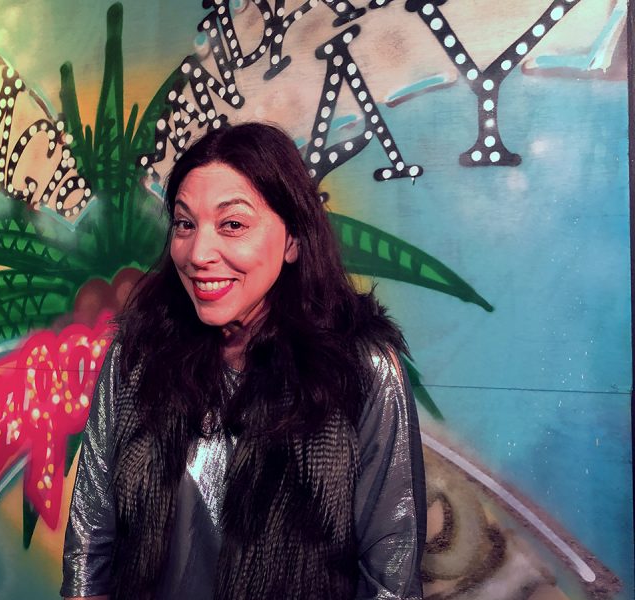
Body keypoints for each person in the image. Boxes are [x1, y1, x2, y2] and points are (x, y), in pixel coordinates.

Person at [61, 122, 426, 600]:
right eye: (185, 224)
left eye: (232, 224)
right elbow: (91, 534)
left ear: (293, 238)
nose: (198, 253)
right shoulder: (136, 357)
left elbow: (390, 571)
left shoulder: (362, 370)